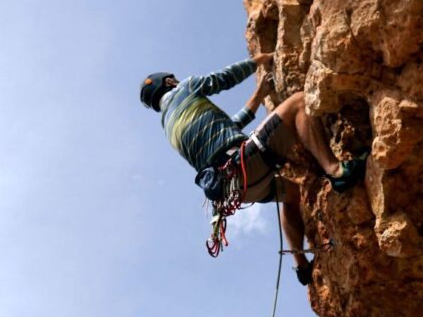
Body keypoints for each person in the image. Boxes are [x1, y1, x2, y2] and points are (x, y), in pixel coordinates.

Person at [139, 54, 365, 283]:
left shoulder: (170, 127)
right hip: (245, 164)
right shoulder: (184, 89)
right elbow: (223, 78)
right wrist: (262, 59)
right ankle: (337, 172)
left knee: (292, 194)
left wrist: (259, 95)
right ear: (169, 82)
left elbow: (231, 129)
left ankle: (301, 265)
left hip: (238, 189)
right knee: (299, 102)